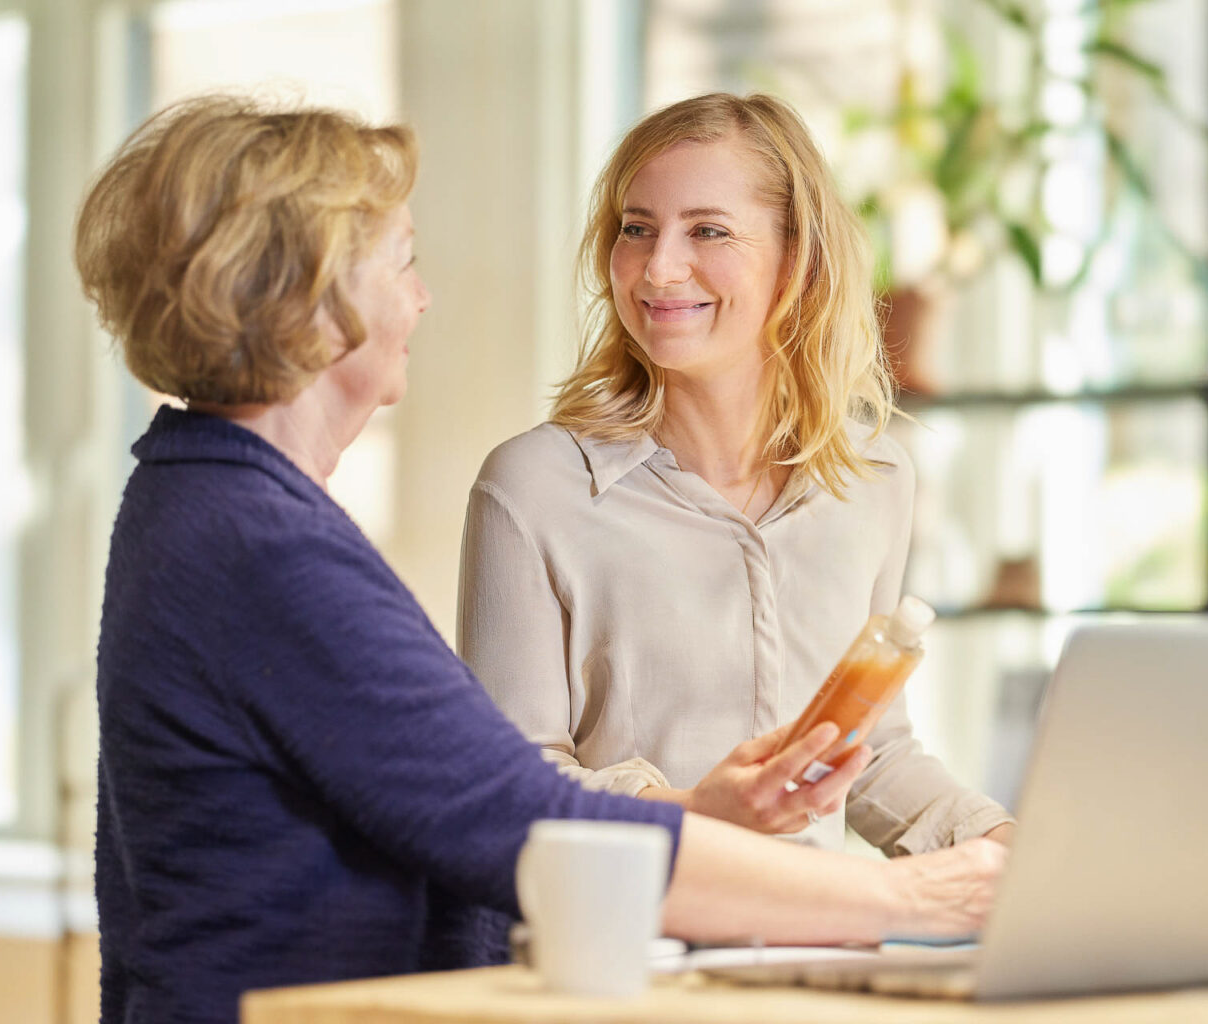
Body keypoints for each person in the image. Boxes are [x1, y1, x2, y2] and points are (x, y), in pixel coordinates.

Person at [77, 95, 1006, 1024]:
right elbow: (513, 813)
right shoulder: (259, 546)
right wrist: (910, 900)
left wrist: (982, 856)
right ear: (307, 300)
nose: (422, 298)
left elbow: (488, 808)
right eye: (402, 261)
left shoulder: (217, 510)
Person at [460, 92, 1014, 850]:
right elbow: (508, 783)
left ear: (798, 258)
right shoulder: (533, 488)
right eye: (637, 229)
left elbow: (871, 752)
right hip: (635, 919)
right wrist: (694, 811)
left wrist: (1006, 848)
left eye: (708, 230)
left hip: (820, 921)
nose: (659, 268)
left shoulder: (874, 475)